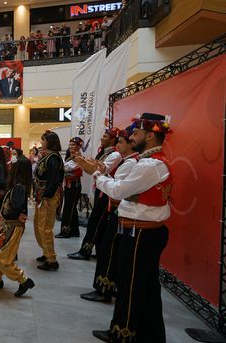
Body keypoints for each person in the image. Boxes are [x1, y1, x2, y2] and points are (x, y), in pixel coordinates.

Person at [91, 114, 172, 343]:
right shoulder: (150, 163)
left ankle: (123, 332)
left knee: (132, 285)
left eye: (135, 133)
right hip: (142, 232)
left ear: (150, 135)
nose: (131, 137)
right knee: (145, 287)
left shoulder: (150, 165)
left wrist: (97, 175)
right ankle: (151, 334)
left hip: (141, 233)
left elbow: (118, 191)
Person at [78, 127, 139, 304]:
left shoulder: (129, 162)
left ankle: (104, 288)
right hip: (118, 208)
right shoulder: (127, 160)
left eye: (121, 142)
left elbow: (117, 189)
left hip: (119, 210)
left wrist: (97, 173)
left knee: (109, 249)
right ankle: (106, 287)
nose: (117, 145)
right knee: (108, 247)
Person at [0, 157, 35, 296]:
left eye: (13, 165)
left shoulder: (18, 187)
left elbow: (16, 207)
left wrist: (15, 214)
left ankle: (23, 280)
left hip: (12, 227)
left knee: (3, 257)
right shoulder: (15, 185)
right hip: (4, 224)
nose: (9, 167)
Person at [68, 128, 122, 260]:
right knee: (98, 222)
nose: (102, 138)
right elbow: (95, 169)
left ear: (113, 139)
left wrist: (83, 162)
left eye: (105, 136)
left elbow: (100, 170)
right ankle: (99, 251)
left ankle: (85, 250)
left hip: (107, 193)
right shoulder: (104, 152)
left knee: (95, 221)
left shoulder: (115, 155)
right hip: (101, 189)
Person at [33, 131, 64, 271]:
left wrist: (46, 196)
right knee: (38, 225)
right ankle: (46, 253)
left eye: (43, 139)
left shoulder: (53, 158)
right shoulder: (48, 157)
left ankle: (52, 259)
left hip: (48, 197)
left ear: (50, 141)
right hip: (42, 196)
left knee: (45, 228)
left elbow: (54, 180)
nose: (41, 142)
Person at [56, 137, 84, 239]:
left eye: (74, 145)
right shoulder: (71, 156)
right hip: (68, 183)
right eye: (70, 144)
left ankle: (65, 231)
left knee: (68, 208)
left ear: (79, 146)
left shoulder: (79, 157)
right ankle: (75, 231)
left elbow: (66, 167)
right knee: (72, 208)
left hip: (74, 185)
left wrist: (61, 165)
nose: (71, 146)